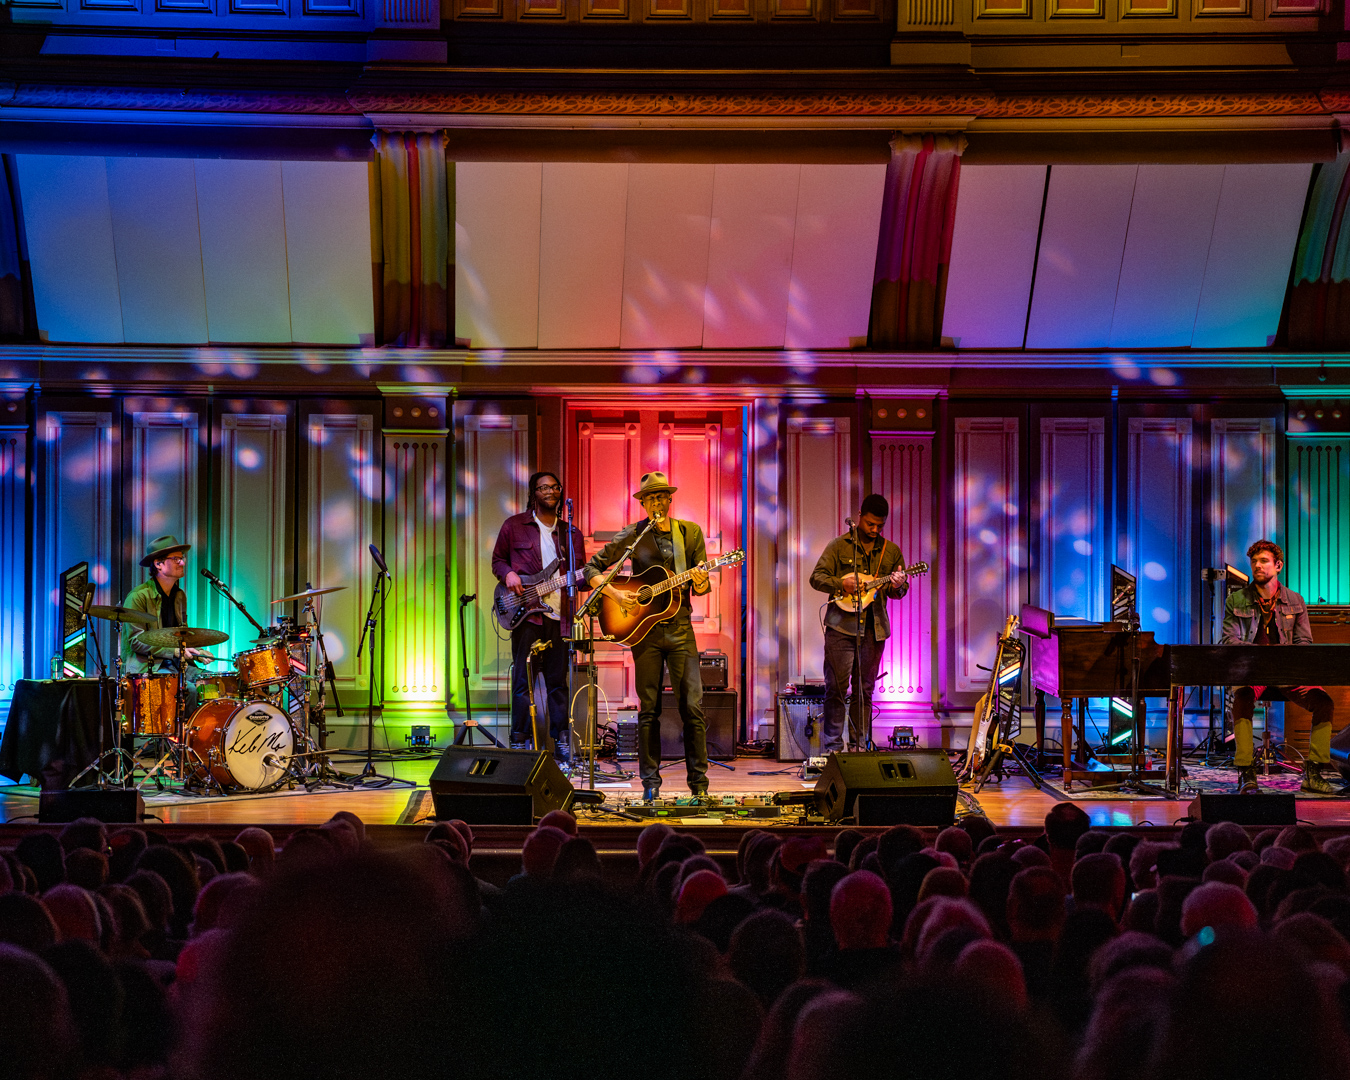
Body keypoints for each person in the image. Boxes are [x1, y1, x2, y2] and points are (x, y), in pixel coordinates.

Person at [585, 471, 710, 801]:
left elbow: (703, 583)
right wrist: (614, 594)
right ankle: (650, 785)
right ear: (643, 503)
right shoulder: (634, 534)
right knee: (649, 709)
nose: (656, 502)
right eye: (649, 498)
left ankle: (699, 785)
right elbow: (592, 570)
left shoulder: (690, 533)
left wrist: (698, 579)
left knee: (692, 708)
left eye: (660, 496)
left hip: (681, 627)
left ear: (670, 499)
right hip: (644, 631)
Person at [1221, 539, 1336, 795]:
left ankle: (1314, 771)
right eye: (1254, 561)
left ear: (1278, 565)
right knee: (1241, 697)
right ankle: (1246, 772)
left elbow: (1304, 642)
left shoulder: (1295, 600)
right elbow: (1229, 640)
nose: (1257, 566)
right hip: (1253, 673)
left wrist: (1284, 659)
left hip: (1287, 674)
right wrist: (1261, 655)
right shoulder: (1237, 600)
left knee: (1324, 701)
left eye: (1264, 561)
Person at [491, 471, 588, 762]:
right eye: (543, 487)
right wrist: (508, 574)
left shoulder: (572, 533)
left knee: (559, 683)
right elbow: (498, 560)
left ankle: (560, 741)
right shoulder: (514, 526)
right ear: (534, 493)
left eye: (555, 487)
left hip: (560, 617)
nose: (550, 491)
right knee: (523, 680)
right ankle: (519, 740)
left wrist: (593, 576)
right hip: (526, 614)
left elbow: (580, 578)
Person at [808, 494, 910, 753]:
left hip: (873, 630)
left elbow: (899, 592)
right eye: (871, 524)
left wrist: (899, 585)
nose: (875, 530)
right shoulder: (839, 546)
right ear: (860, 516)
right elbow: (817, 577)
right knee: (837, 688)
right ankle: (832, 750)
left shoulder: (891, 551)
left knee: (864, 691)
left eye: (880, 526)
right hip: (840, 628)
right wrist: (841, 583)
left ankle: (860, 749)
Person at [122, 534, 213, 706]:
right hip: (148, 668)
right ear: (158, 564)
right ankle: (182, 733)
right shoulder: (138, 597)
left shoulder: (179, 596)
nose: (183, 563)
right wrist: (174, 652)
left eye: (182, 558)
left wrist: (197, 652)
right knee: (190, 691)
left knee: (211, 683)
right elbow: (136, 641)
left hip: (175, 665)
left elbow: (181, 636)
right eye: (176, 559)